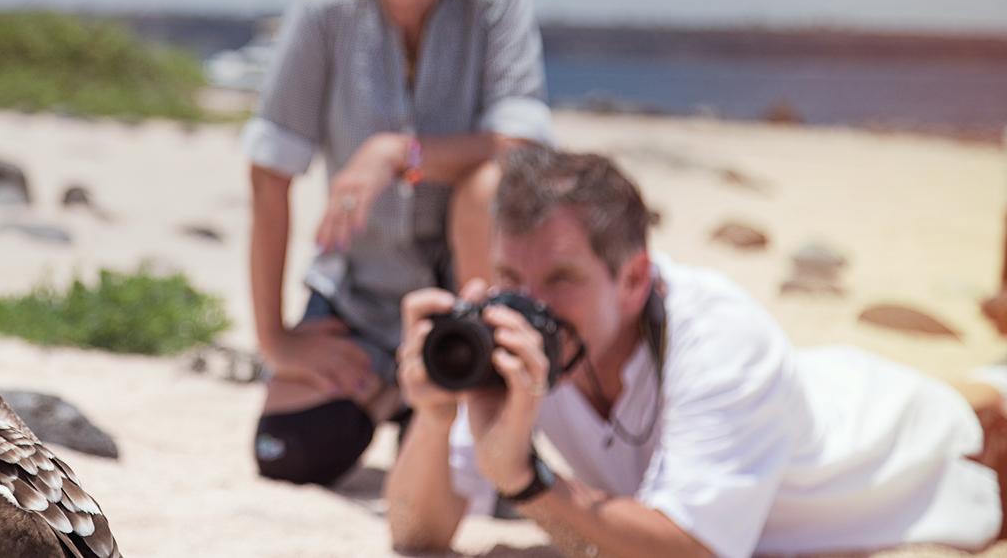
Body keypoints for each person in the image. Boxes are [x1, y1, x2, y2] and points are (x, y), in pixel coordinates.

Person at [386, 145, 1003, 557]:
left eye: (560, 279)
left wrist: (526, 483)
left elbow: (693, 550)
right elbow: (418, 533)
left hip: (890, 452)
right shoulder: (515, 344)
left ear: (634, 280)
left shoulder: (719, 337)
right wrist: (436, 418)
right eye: (509, 277)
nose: (527, 306)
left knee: (981, 416)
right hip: (795, 415)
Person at [242, 0, 552, 487]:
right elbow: (269, 174)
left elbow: (521, 149)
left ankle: (471, 382)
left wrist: (395, 152)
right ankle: (391, 394)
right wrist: (276, 340)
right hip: (356, 297)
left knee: (487, 183)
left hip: (460, 300)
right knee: (287, 453)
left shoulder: (496, 4)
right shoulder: (325, 11)